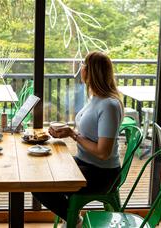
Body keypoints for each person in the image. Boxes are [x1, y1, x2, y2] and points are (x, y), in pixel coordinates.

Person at [32, 51, 123, 227]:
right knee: (40, 171)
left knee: (38, 183)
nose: (80, 68)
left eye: (83, 65)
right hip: (84, 163)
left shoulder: (109, 105)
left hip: (101, 174)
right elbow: (89, 132)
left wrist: (73, 135)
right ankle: (71, 215)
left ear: (89, 72)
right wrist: (67, 131)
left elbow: (103, 153)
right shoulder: (95, 98)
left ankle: (75, 220)